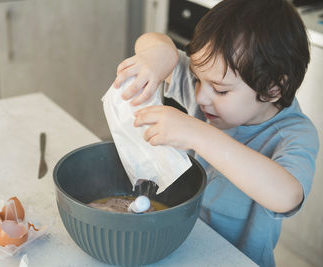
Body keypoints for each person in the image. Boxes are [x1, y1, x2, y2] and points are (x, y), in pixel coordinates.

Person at [112, 0, 319, 266]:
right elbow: (149, 40)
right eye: (197, 79)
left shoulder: (294, 134)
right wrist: (159, 55)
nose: (200, 97)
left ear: (272, 89)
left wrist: (197, 134)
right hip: (180, 248)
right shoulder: (211, 91)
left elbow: (286, 195)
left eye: (221, 90)